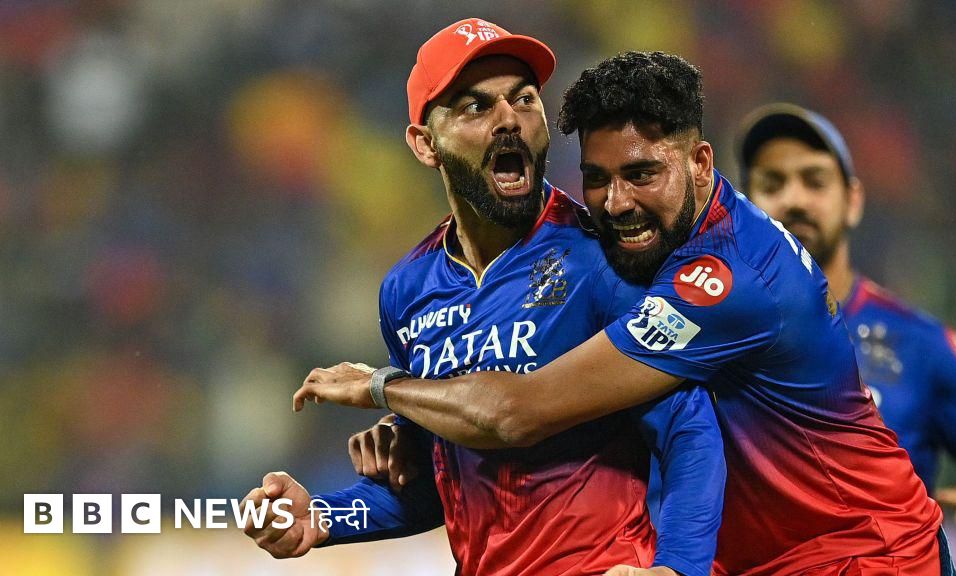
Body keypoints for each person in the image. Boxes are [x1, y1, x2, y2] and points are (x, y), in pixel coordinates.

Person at [296, 51, 956, 575]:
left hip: (866, 553)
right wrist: (339, 505)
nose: (615, 203)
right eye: (597, 177)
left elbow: (518, 412)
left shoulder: (723, 280)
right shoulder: (637, 252)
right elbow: (454, 474)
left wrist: (384, 387)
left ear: (700, 162)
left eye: (642, 174)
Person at [244, 19, 725, 576]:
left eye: (523, 99)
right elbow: (437, 482)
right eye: (475, 107)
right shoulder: (406, 289)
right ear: (426, 144)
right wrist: (324, 517)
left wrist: (677, 568)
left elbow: (689, 430)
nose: (508, 120)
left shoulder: (602, 256)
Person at [735, 102, 956, 558]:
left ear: (853, 202)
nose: (793, 200)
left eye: (814, 181)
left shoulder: (918, 346)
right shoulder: (703, 334)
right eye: (772, 184)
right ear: (743, 208)